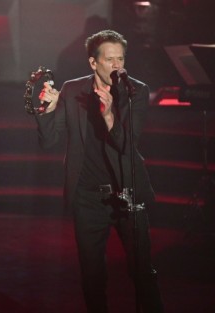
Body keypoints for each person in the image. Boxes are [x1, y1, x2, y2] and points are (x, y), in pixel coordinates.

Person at [35, 30, 164, 312]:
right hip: (88, 197)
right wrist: (47, 109)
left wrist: (108, 115)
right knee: (92, 275)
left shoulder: (135, 91)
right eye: (110, 60)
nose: (117, 66)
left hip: (127, 193)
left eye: (121, 59)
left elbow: (126, 143)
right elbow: (49, 141)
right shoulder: (72, 90)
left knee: (142, 271)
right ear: (93, 63)